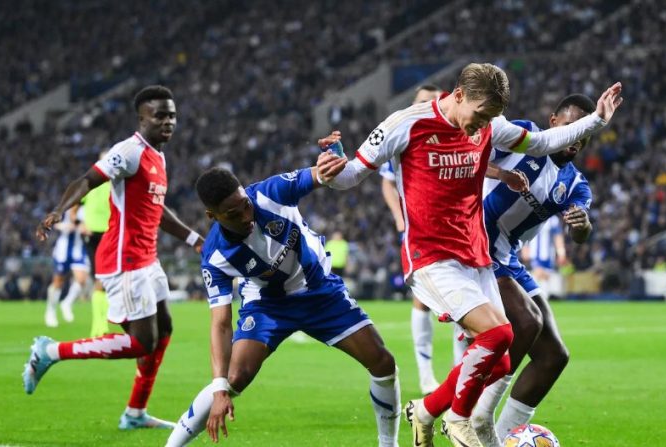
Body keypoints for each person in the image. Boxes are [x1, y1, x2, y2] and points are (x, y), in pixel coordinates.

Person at [316, 63, 623, 446]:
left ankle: (427, 410)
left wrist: (597, 120)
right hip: (431, 255)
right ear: (458, 95)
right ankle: (461, 422)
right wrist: (328, 167)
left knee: (504, 359)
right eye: (479, 115)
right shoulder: (405, 124)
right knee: (499, 334)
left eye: (490, 118)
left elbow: (544, 142)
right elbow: (347, 178)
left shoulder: (492, 125)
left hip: (475, 254)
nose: (482, 127)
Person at [165, 163, 400, 447]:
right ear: (211, 216)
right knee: (234, 378)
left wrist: (329, 160)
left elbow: (318, 174)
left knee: (383, 363)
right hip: (268, 305)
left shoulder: (271, 193)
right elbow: (221, 323)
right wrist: (218, 390)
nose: (245, 216)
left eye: (244, 204)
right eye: (233, 214)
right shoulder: (215, 257)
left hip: (319, 292)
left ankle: (389, 444)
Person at [23, 85, 204, 430]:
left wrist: (194, 238)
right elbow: (88, 180)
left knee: (164, 330)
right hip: (124, 261)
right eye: (160, 115)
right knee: (141, 342)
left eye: (172, 115)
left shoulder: (158, 155)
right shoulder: (130, 151)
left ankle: (135, 412)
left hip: (147, 259)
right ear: (142, 118)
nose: (168, 121)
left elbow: (157, 209)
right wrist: (60, 210)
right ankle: (50, 352)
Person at [470, 94, 602, 445]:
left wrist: (581, 224)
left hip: (509, 256)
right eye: (570, 127)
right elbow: (470, 158)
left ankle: (501, 437)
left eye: (584, 133)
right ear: (553, 121)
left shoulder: (575, 184)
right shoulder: (524, 136)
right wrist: (502, 174)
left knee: (553, 356)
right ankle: (474, 416)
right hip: (477, 241)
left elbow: (582, 236)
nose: (576, 138)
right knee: (527, 322)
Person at [380, 83, 471, 396]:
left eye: (435, 99)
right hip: (421, 230)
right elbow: (387, 184)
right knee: (423, 299)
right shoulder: (407, 132)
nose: (431, 104)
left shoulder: (459, 130)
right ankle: (425, 374)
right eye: (423, 100)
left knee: (466, 301)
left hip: (460, 230)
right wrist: (398, 217)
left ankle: (459, 374)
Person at [80, 151, 112, 337]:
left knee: (105, 280)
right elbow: (76, 203)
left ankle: (100, 325)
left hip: (110, 234)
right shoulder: (91, 183)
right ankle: (98, 326)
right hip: (93, 235)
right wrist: (80, 222)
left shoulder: (116, 184)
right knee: (101, 279)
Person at [44, 205, 90, 327]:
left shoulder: (86, 209)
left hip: (79, 248)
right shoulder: (64, 208)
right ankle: (51, 312)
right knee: (58, 282)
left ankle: (67, 303)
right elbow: (52, 223)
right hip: (63, 250)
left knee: (81, 279)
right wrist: (65, 226)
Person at [522, 214, 566, 298]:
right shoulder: (532, 217)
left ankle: (542, 297)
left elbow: (558, 237)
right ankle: (539, 298)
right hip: (534, 254)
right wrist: (525, 248)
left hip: (548, 255)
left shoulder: (553, 220)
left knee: (545, 276)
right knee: (538, 273)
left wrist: (561, 253)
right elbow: (526, 234)